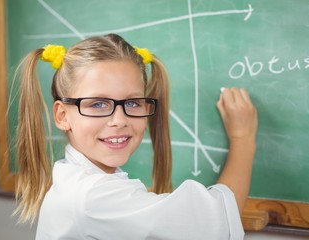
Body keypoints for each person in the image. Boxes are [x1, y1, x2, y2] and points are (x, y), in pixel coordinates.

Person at [13, 34, 258, 240]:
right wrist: (242, 137)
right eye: (98, 103)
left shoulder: (77, 180)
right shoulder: (93, 196)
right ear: (62, 115)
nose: (119, 119)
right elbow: (216, 220)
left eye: (132, 102)